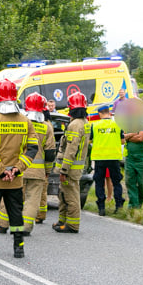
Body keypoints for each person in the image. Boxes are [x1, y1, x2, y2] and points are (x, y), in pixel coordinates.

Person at [0, 79, 38, 258]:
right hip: (15, 180)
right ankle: (19, 248)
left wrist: (1, 170)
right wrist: (16, 169)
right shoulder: (26, 121)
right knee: (16, 214)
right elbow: (32, 148)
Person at [0, 93, 55, 235]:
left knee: (10, 197)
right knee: (32, 200)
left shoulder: (20, 122)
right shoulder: (47, 127)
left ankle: (2, 224)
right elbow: (50, 153)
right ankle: (25, 228)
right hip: (38, 171)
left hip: (18, 168)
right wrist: (47, 170)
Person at [53, 92, 90, 233]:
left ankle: (72, 225)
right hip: (75, 167)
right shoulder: (84, 123)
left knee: (71, 196)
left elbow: (71, 149)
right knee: (63, 194)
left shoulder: (75, 125)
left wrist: (64, 170)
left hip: (70, 168)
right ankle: (62, 221)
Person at [90, 103, 125, 216]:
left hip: (100, 158)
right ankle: (118, 206)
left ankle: (101, 207)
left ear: (100, 113)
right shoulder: (117, 124)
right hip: (114, 157)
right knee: (116, 182)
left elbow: (90, 141)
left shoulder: (95, 126)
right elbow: (123, 141)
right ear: (109, 112)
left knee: (99, 183)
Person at [124, 113, 143, 210]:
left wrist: (128, 136)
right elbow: (123, 138)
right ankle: (133, 206)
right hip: (129, 157)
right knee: (129, 181)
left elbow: (140, 138)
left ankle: (139, 203)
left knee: (142, 183)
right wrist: (134, 134)